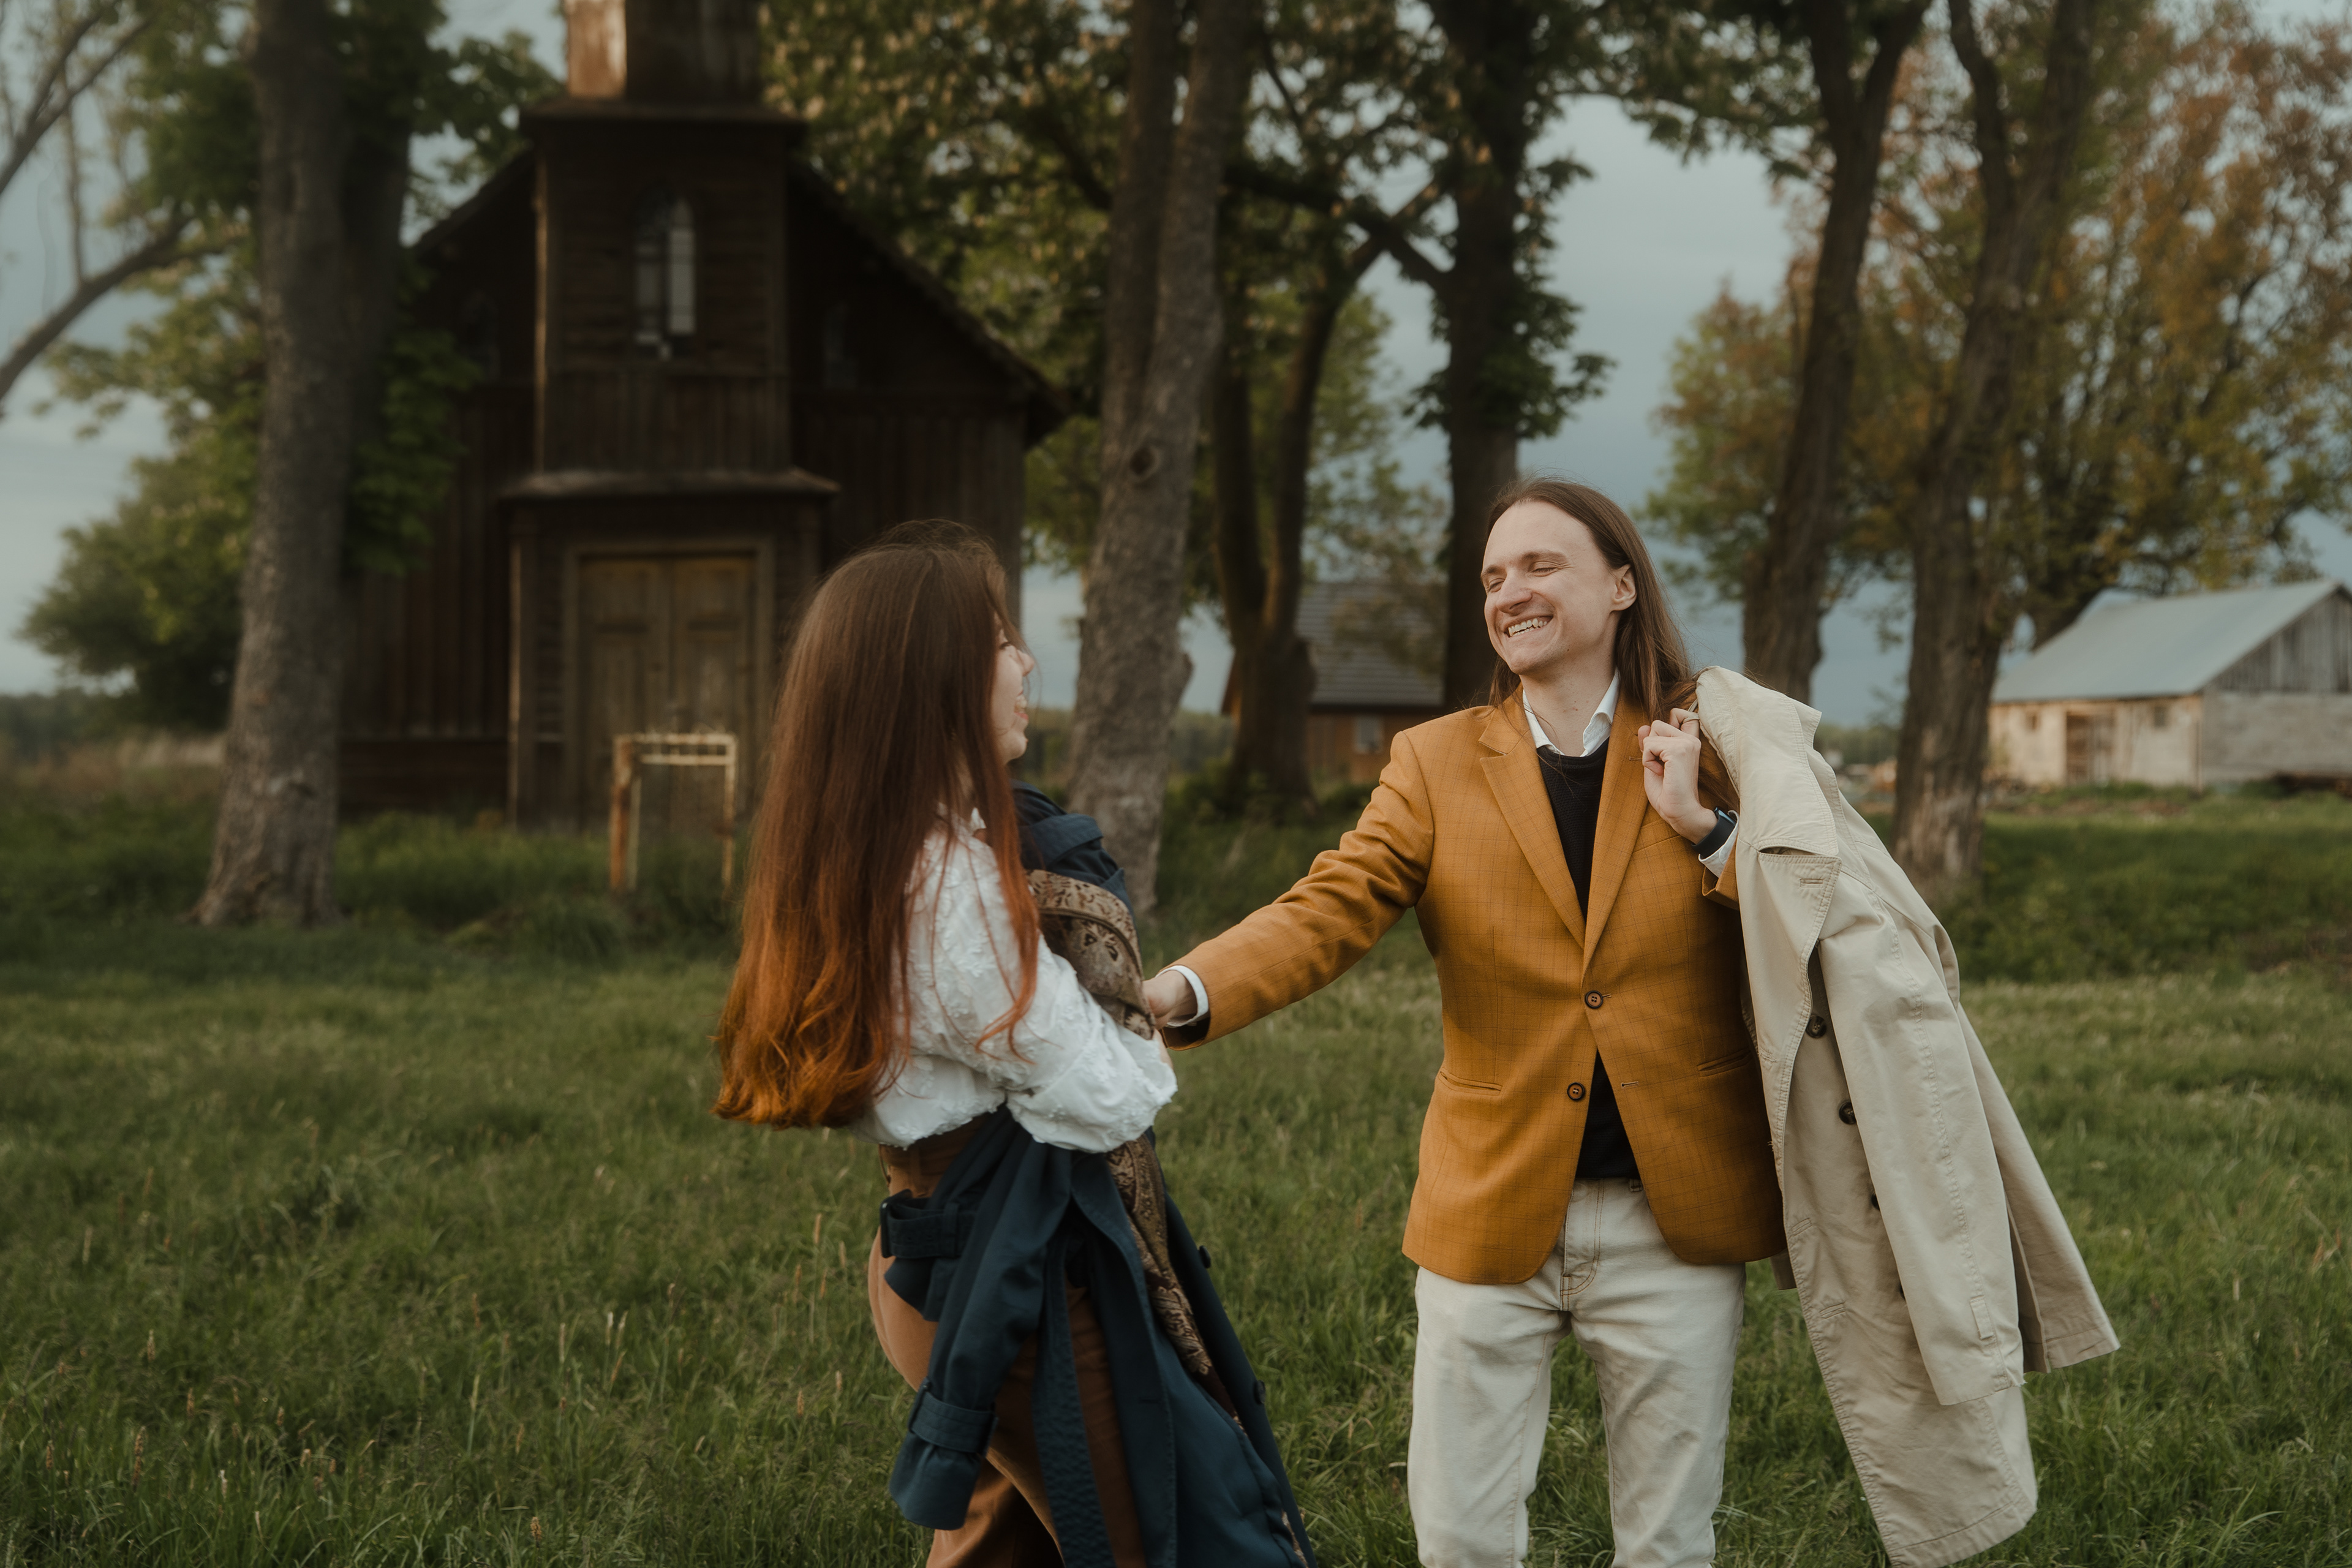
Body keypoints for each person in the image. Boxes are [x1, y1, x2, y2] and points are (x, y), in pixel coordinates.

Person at [1143, 479, 1774, 1568]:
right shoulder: (1435, 762)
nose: (1509, 591)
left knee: (1671, 1545)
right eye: (1492, 576)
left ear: (1622, 585)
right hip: (1491, 1206)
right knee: (1461, 1541)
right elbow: (1331, 906)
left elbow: (1813, 920)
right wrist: (1183, 991)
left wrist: (1709, 830)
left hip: (1676, 1216)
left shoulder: (1718, 744)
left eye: (1540, 565)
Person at [714, 522, 1313, 1568]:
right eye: (1001, 642)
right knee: (1182, 1537)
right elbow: (1111, 1094)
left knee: (1002, 1555)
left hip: (944, 1254)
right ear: (932, 676)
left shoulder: (880, 851)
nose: (1027, 664)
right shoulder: (949, 883)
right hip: (1018, 1278)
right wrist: (1121, 1012)